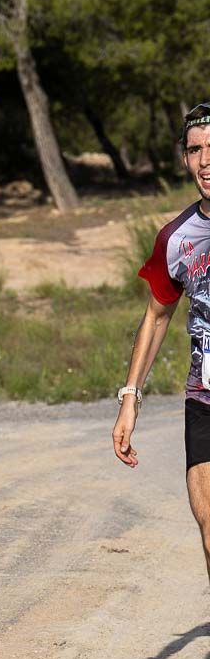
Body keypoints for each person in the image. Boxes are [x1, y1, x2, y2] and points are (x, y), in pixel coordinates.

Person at [113, 101, 210, 588]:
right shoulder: (176, 238)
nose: (206, 161)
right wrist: (130, 399)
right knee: (209, 525)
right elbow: (156, 317)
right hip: (205, 399)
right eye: (196, 150)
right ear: (185, 159)